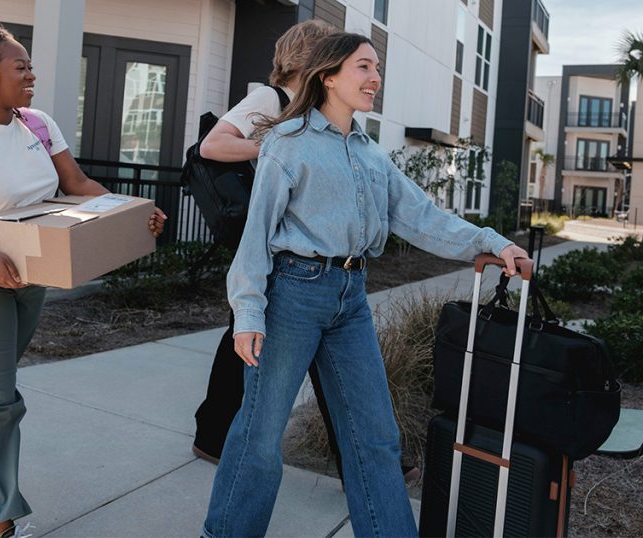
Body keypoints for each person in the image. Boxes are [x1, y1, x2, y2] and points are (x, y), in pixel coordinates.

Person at [201, 32, 528, 538]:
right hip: (293, 293)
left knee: (374, 437)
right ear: (328, 75)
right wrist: (247, 312)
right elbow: (256, 237)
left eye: (377, 69)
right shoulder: (287, 142)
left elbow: (423, 218)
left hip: (350, 298)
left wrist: (493, 242)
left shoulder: (371, 155)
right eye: (363, 67)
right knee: (259, 437)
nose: (375, 78)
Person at [0, 12, 165, 538]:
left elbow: (77, 184)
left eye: (31, 68)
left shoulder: (38, 125)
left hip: (30, 273)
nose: (31, 76)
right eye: (20, 67)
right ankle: (1, 516)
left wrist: (134, 210)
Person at [192, 19, 349, 474]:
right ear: (311, 58)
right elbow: (213, 145)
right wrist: (269, 148)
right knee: (294, 344)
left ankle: (212, 433)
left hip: (305, 246)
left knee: (241, 336)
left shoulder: (315, 111)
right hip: (277, 245)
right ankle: (357, 456)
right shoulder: (270, 100)